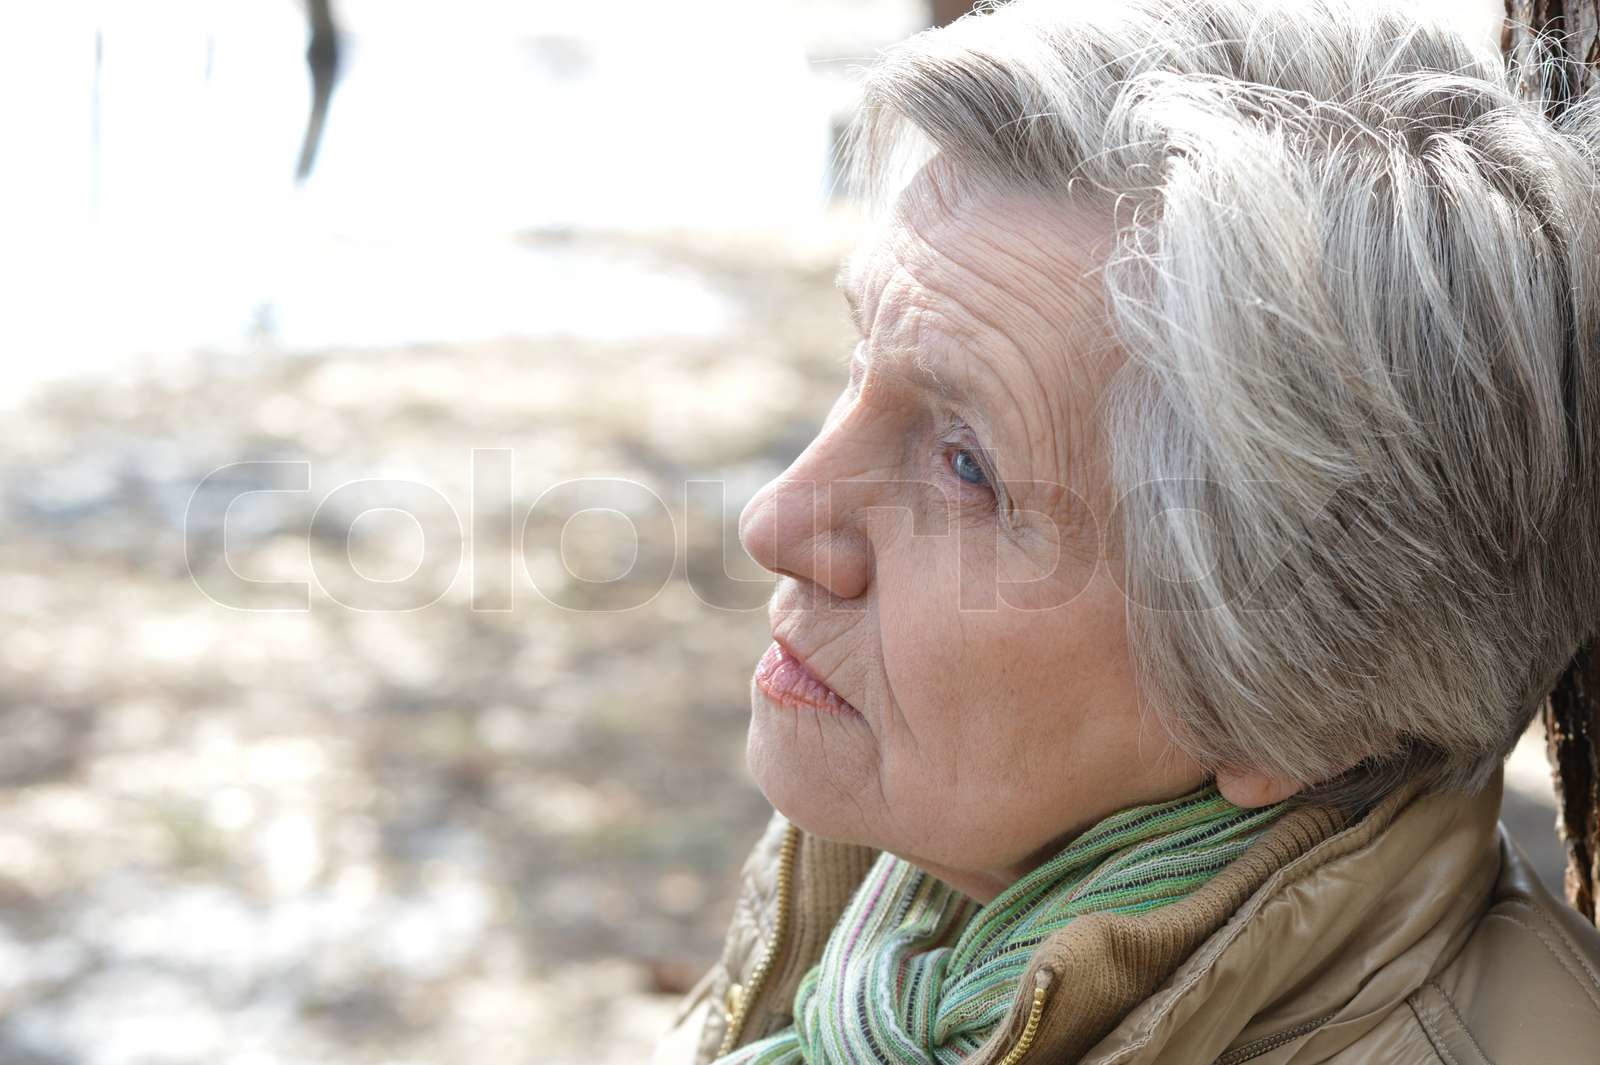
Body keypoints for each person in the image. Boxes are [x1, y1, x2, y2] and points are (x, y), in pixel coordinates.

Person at [656, 1, 1600, 1061]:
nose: (776, 520)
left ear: (1301, 696)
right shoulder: (903, 931)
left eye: (967, 466)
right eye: (856, 357)